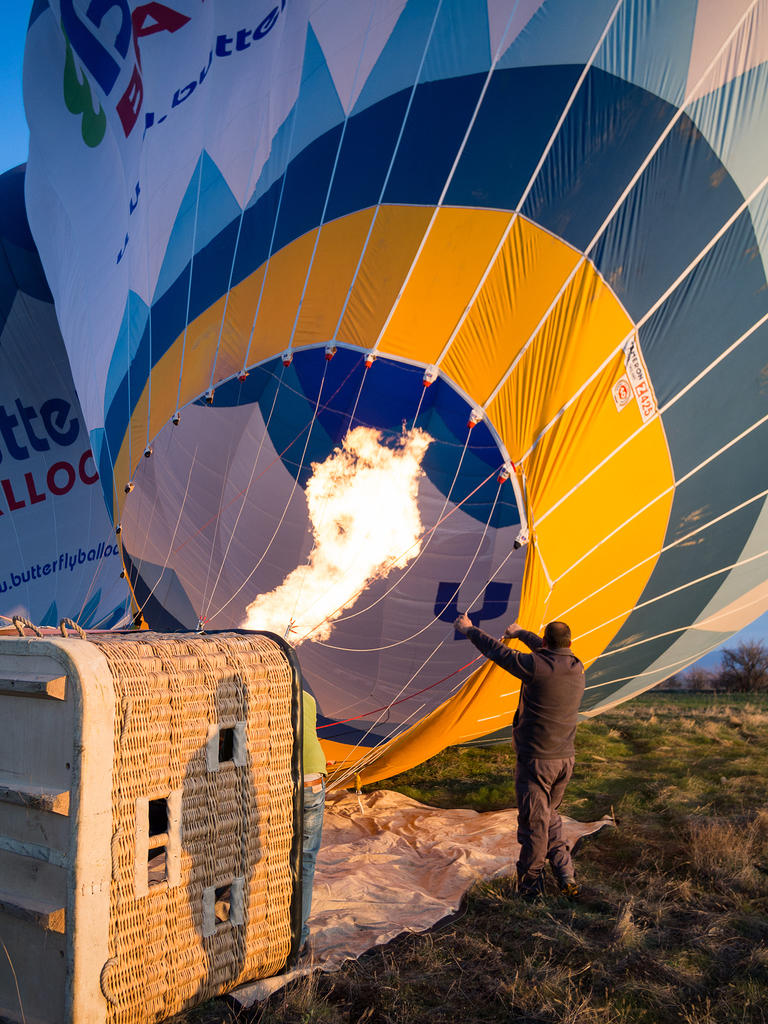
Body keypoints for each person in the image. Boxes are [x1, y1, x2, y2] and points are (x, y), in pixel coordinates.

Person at [454, 613, 585, 899]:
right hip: (565, 760)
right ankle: (565, 875)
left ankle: (530, 886)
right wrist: (521, 632)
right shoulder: (576, 666)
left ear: (547, 643)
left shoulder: (535, 667)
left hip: (537, 761)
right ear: (569, 643)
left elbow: (499, 653)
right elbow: (545, 649)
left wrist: (469, 630)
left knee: (533, 825)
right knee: (549, 816)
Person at [301, 688, 326, 954]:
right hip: (313, 779)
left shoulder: (264, 694)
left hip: (285, 779)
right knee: (306, 859)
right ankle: (299, 939)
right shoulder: (308, 696)